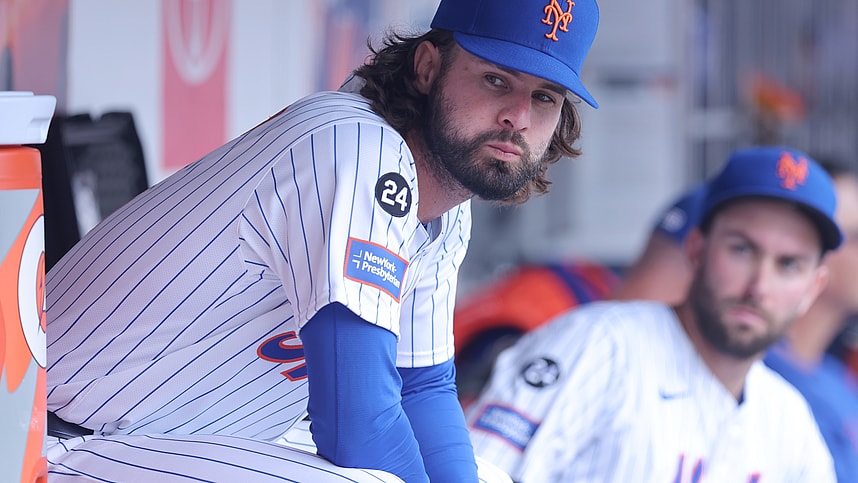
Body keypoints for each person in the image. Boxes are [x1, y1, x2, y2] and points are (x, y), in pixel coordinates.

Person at [44, 0, 601, 482]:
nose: (517, 117)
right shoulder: (355, 148)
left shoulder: (446, 211)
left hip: (152, 441)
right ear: (429, 66)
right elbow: (358, 423)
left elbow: (421, 388)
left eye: (545, 97)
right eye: (496, 80)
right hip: (51, 435)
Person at [467, 146, 840, 482]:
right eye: (742, 250)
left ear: (813, 288)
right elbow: (476, 471)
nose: (759, 286)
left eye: (789, 265)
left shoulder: (790, 424)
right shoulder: (596, 348)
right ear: (696, 249)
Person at [616, 157, 858, 482]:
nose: (760, 283)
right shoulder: (735, 362)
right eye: (855, 236)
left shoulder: (823, 385)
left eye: (787, 261)